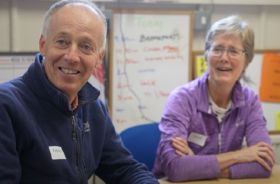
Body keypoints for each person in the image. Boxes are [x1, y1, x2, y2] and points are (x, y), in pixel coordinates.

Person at [0, 0, 159, 183]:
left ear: (99, 57)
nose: (72, 57)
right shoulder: (6, 106)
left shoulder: (93, 108)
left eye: (85, 46)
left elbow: (124, 169)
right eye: (62, 42)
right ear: (43, 45)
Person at [153, 15, 275, 182]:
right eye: (217, 49)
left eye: (233, 51)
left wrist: (196, 164)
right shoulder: (181, 99)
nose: (224, 58)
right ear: (206, 55)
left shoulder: (250, 101)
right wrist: (240, 155)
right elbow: (175, 168)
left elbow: (265, 164)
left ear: (247, 61)